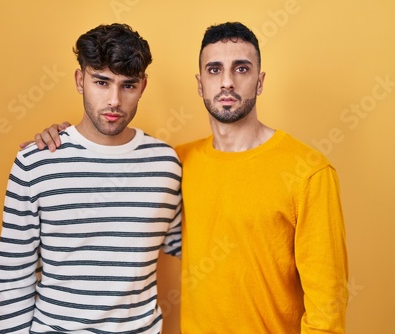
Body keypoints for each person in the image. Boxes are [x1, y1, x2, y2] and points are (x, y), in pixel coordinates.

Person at [28, 22, 349, 333]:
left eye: (241, 69)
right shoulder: (175, 162)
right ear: (200, 84)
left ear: (260, 81)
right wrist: (66, 141)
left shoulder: (309, 171)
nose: (227, 82)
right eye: (214, 70)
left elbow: (327, 306)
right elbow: (110, 179)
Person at [0, 23, 182, 334]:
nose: (114, 101)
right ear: (80, 80)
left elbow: (188, 243)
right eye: (101, 82)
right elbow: (13, 276)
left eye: (128, 86)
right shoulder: (36, 162)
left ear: (143, 87)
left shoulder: (166, 164)